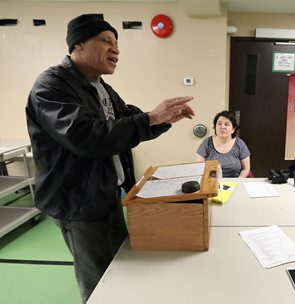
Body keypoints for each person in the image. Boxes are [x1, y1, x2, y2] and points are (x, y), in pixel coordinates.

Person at [25, 14, 194, 303]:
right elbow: (86, 136)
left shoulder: (100, 86)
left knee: (120, 264)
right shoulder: (51, 85)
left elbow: (125, 125)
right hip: (76, 202)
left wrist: (163, 120)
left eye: (117, 43)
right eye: (106, 41)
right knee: (98, 279)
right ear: (77, 44)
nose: (115, 49)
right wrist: (151, 118)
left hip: (108, 193)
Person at [196, 110, 251, 177]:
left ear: (233, 129)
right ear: (215, 127)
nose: (222, 127)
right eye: (219, 124)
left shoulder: (240, 144)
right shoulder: (207, 143)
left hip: (235, 182)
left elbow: (246, 169)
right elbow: (199, 168)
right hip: (212, 182)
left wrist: (237, 182)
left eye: (226, 124)